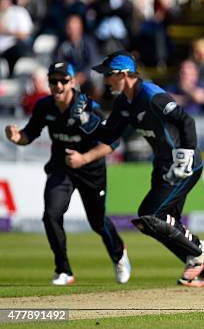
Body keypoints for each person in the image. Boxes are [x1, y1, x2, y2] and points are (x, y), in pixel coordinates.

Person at [70, 51, 204, 287]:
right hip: (162, 166)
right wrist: (84, 119)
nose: (105, 81)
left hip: (184, 165)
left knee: (151, 215)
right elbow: (109, 134)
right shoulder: (123, 102)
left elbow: (186, 121)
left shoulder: (152, 95)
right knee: (161, 224)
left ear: (122, 74)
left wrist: (186, 154)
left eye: (108, 75)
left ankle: (199, 250)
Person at [4, 62, 130, 286]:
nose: (58, 85)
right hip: (61, 168)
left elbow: (111, 142)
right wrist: (16, 137)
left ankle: (119, 255)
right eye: (53, 81)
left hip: (91, 170)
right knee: (51, 215)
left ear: (72, 82)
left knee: (98, 222)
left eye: (63, 80)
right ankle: (63, 270)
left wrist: (84, 158)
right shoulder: (44, 106)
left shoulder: (88, 107)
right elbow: (29, 135)